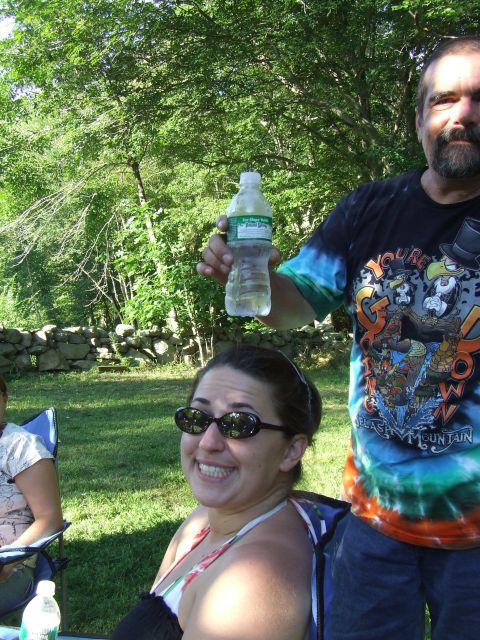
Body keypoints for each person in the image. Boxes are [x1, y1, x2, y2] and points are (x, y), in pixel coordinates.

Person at [197, 35, 480, 640]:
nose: (462, 115)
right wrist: (252, 272)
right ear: (419, 119)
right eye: (444, 99)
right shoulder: (368, 210)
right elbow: (294, 303)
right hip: (376, 520)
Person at [111, 345, 348, 640]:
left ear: (291, 450)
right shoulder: (202, 521)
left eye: (238, 424)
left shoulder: (254, 578)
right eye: (197, 418)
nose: (208, 442)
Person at [0, 375, 63, 615]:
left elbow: (50, 519)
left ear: (4, 399)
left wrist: (7, 561)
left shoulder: (20, 446)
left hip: (9, 569)